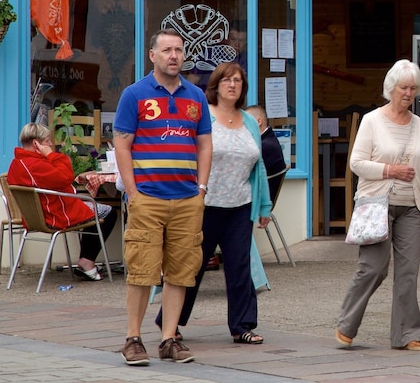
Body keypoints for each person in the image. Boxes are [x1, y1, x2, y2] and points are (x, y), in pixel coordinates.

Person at [113, 28, 212, 366]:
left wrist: (200, 189)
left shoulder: (196, 96)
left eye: (179, 50)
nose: (174, 56)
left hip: (187, 199)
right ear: (152, 55)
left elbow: (204, 144)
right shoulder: (134, 94)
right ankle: (133, 339)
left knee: (182, 272)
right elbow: (122, 144)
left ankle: (169, 338)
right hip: (148, 198)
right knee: (142, 271)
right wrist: (133, 192)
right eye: (167, 50)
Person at [156, 62, 272, 345]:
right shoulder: (203, 115)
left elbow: (260, 168)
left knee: (239, 267)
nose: (232, 85)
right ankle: (170, 322)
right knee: (191, 266)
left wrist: (264, 206)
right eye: (226, 80)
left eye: (238, 81)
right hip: (203, 204)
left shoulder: (248, 122)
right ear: (216, 85)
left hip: (240, 204)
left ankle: (242, 326)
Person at [335, 59, 420, 352]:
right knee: (373, 268)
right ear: (391, 88)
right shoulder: (372, 121)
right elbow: (356, 163)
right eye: (403, 87)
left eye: (413, 88)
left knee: (408, 272)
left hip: (411, 208)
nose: (408, 93)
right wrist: (391, 170)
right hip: (377, 205)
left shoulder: (419, 125)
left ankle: (407, 335)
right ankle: (347, 324)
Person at [6, 122, 117, 281]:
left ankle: (86, 261)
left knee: (93, 209)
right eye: (47, 141)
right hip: (56, 214)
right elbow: (66, 176)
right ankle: (86, 261)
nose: (51, 144)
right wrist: (51, 155)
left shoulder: (17, 163)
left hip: (39, 215)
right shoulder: (36, 164)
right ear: (36, 143)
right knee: (109, 213)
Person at [245, 104, 288, 204]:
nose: (243, 125)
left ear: (258, 122)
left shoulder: (265, 146)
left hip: (258, 200)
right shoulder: (267, 140)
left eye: (246, 121)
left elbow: (244, 174)